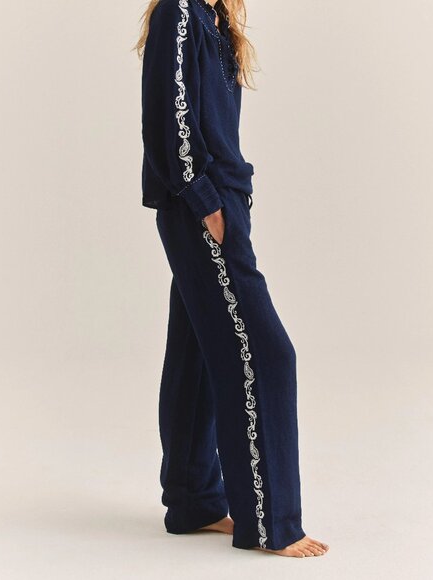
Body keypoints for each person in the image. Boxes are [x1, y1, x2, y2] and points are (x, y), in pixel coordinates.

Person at [135, 0, 330, 558]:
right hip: (200, 206)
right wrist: (204, 200)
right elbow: (167, 114)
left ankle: (194, 501)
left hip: (224, 202)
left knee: (198, 351)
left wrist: (232, 201)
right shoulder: (178, 12)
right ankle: (272, 523)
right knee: (268, 353)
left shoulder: (212, 19)